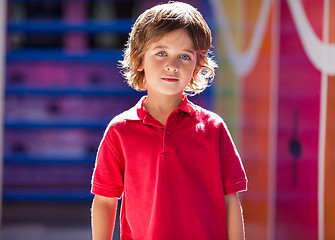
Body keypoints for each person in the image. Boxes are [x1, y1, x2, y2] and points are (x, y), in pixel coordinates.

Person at [91, 2, 247, 240]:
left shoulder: (214, 128)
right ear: (139, 59)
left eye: (184, 56)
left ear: (197, 66)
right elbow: (104, 200)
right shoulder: (119, 131)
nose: (172, 65)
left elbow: (230, 200)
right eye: (161, 53)